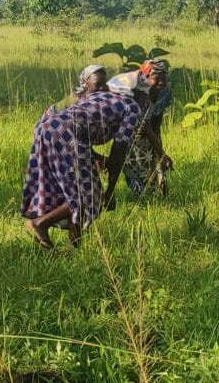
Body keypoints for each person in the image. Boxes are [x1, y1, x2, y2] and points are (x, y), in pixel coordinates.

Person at [20, 90, 141, 249]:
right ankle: (40, 223)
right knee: (90, 195)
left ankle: (73, 248)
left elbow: (83, 126)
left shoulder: (99, 96)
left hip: (45, 127)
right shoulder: (132, 107)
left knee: (72, 192)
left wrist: (96, 158)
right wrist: (110, 192)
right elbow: (119, 151)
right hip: (68, 133)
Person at [107, 58, 173, 198]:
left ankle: (159, 193)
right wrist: (161, 154)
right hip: (130, 131)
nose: (161, 82)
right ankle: (113, 193)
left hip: (147, 133)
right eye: (157, 78)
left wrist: (159, 151)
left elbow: (156, 124)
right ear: (146, 77)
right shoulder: (136, 90)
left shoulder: (164, 91)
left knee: (153, 161)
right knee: (133, 161)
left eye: (164, 77)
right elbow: (144, 127)